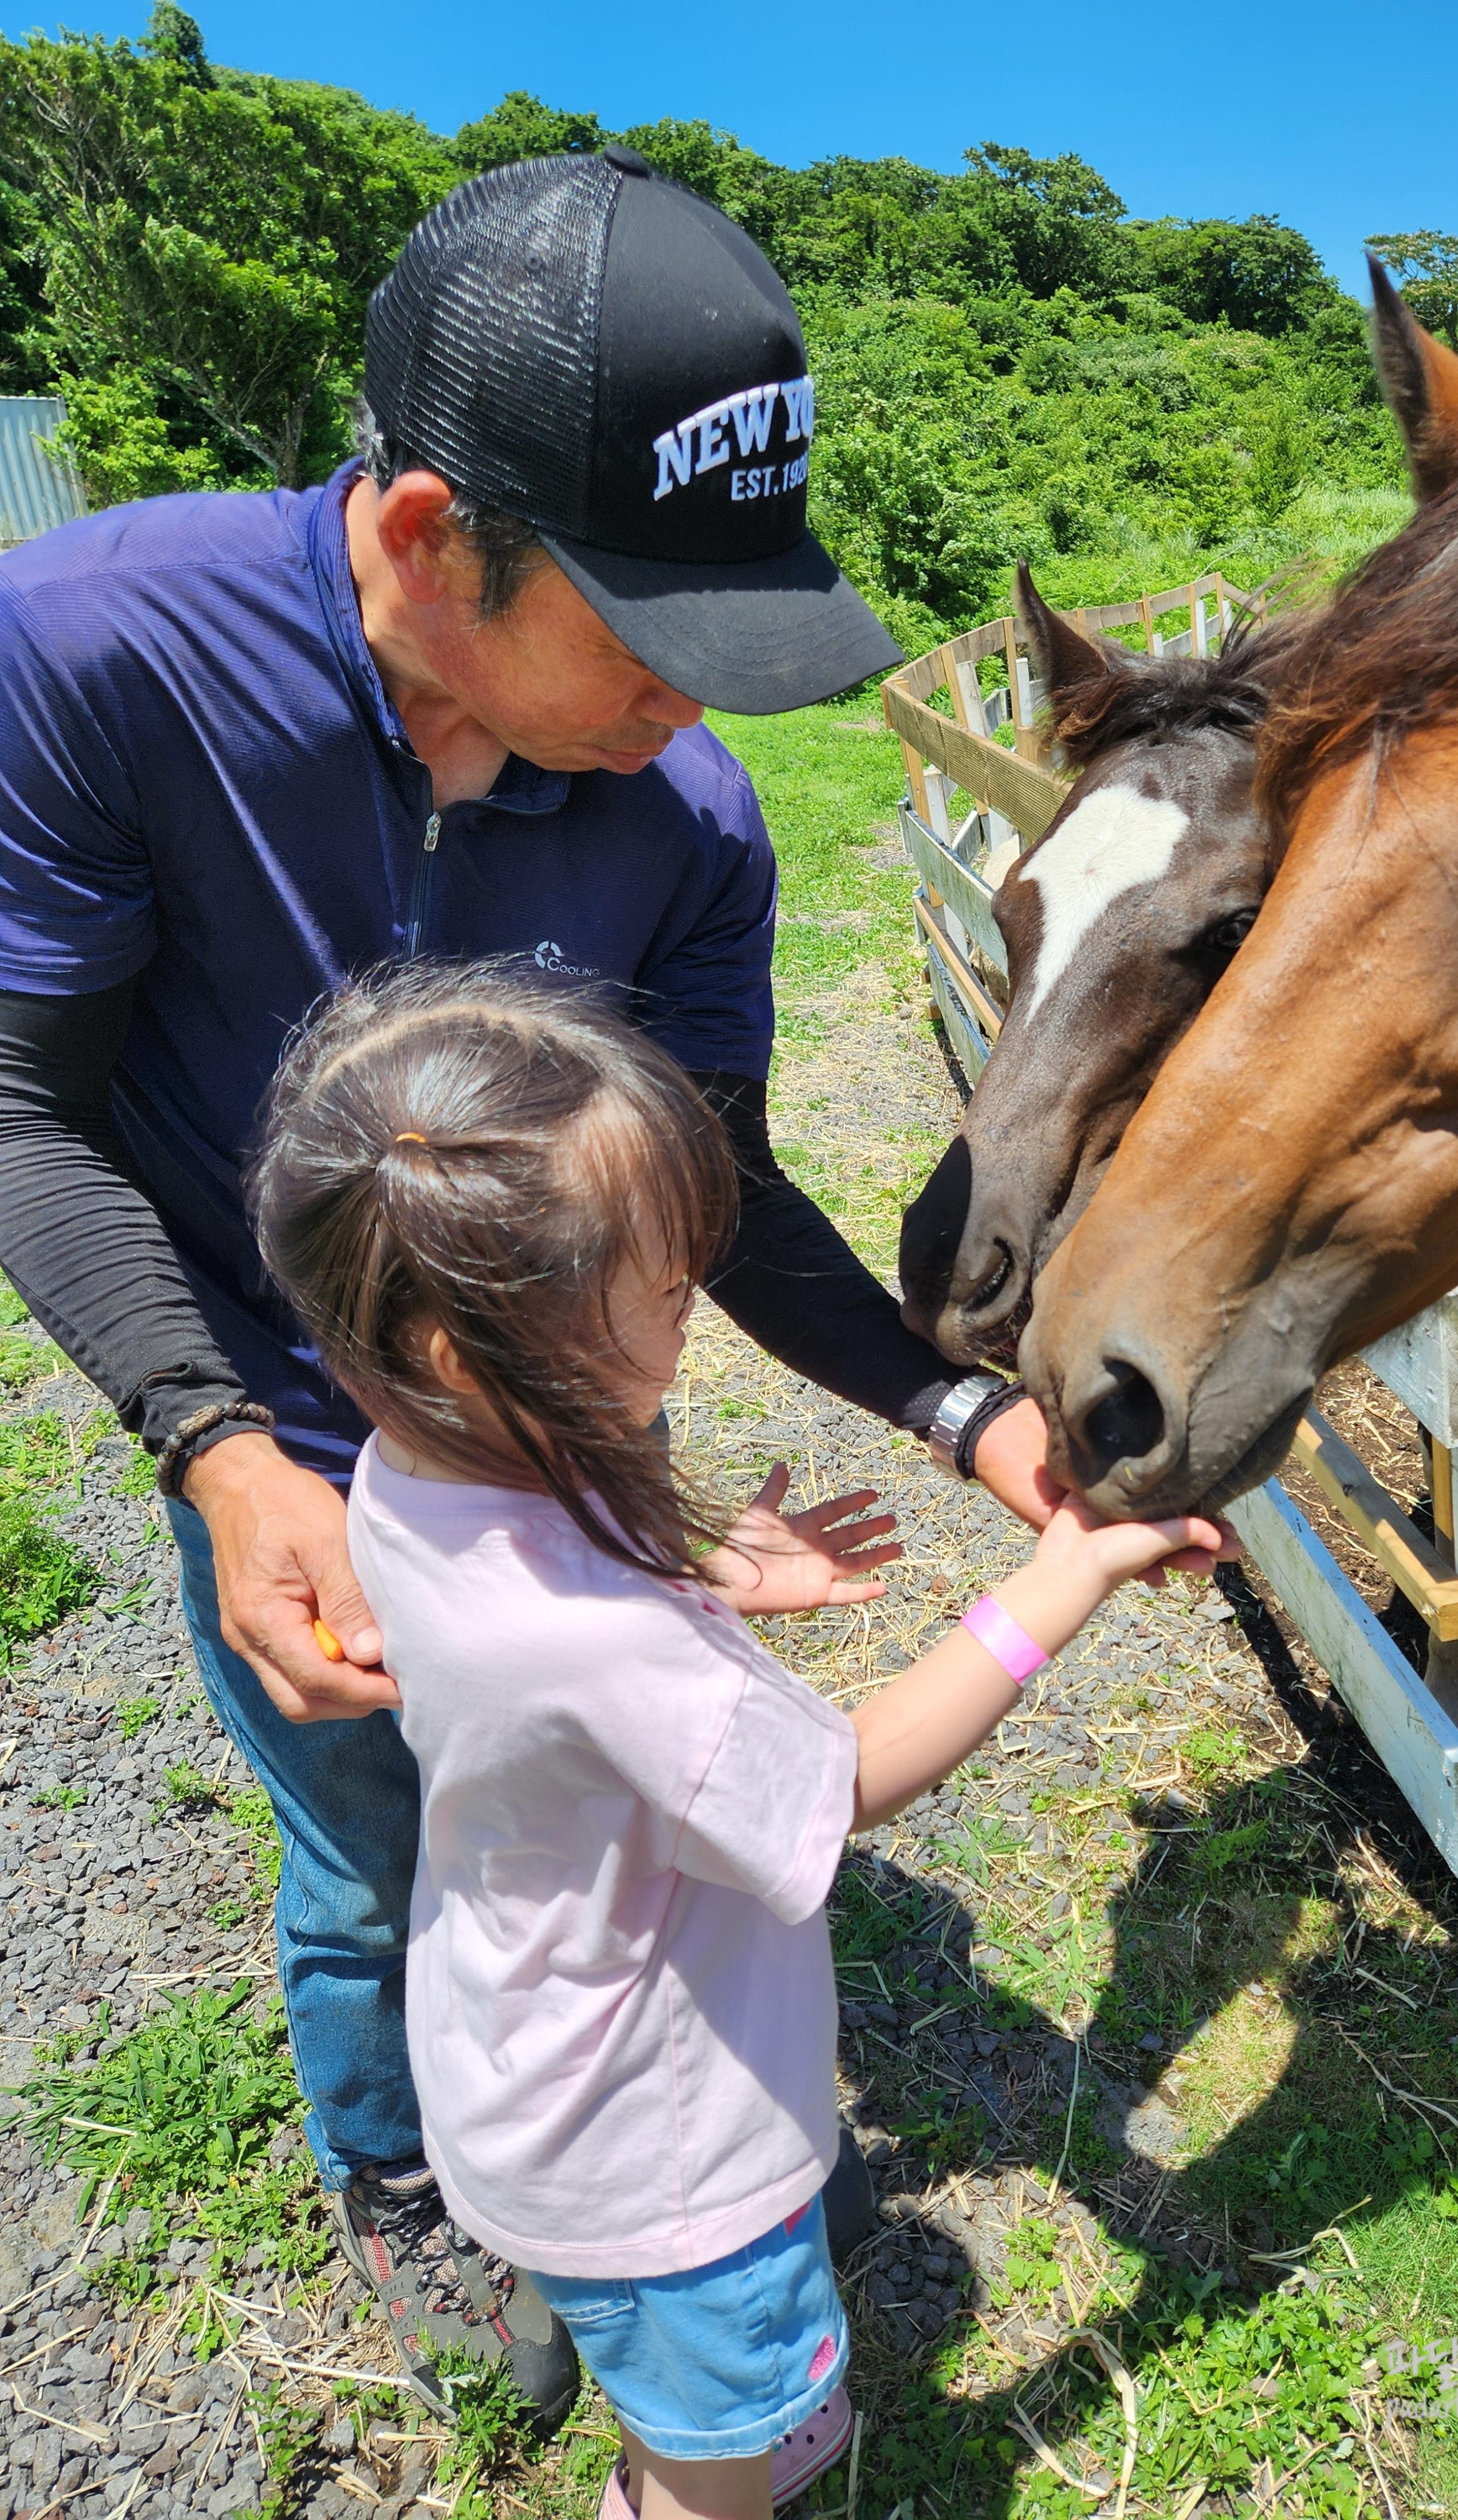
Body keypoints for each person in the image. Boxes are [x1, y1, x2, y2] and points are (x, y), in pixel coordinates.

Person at [0, 146, 1058, 2422]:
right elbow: (14, 1097)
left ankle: (634, 2150)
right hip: (288, 1444)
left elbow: (728, 1200)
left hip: (565, 1408)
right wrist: (206, 1450)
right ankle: (401, 2171)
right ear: (418, 542)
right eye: (661, 632)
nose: (712, 702)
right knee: (375, 1845)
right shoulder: (104, 660)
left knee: (584, 1832)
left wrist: (964, 1415)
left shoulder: (684, 827)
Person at [249, 963, 1228, 2520]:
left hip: (517, 2048)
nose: (693, 1304)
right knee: (720, 2460)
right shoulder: (598, 1638)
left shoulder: (407, 1469)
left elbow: (549, 1602)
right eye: (657, 1284)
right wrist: (1061, 1579)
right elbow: (841, 1783)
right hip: (663, 2155)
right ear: (465, 1352)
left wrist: (692, 1557)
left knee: (698, 2393)